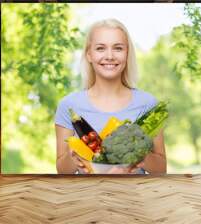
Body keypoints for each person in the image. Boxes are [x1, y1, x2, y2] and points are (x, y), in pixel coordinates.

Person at [55, 18, 166, 174]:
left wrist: (139, 153)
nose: (109, 56)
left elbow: (161, 169)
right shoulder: (68, 105)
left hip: (133, 195)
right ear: (89, 54)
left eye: (118, 48)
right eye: (100, 48)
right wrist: (73, 156)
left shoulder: (148, 104)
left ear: (127, 54)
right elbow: (62, 170)